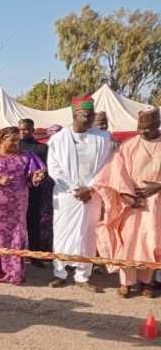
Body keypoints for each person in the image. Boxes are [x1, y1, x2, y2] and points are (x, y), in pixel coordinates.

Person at [47, 95, 113, 291]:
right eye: (87, 113)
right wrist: (75, 189)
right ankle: (60, 272)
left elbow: (107, 166)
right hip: (66, 195)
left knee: (88, 234)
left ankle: (83, 276)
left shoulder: (103, 137)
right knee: (62, 233)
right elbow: (54, 168)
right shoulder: (58, 139)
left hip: (92, 194)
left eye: (92, 113)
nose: (92, 117)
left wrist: (90, 188)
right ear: (75, 114)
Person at [94, 108, 161, 298]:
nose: (142, 131)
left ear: (157, 124)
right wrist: (128, 196)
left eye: (147, 128)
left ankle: (146, 282)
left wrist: (158, 186)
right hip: (131, 202)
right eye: (140, 127)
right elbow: (116, 173)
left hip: (157, 203)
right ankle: (126, 282)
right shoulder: (128, 145)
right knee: (129, 240)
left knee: (152, 241)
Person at [0, 127, 46, 285]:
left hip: (17, 206)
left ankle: (13, 272)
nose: (15, 143)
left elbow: (29, 179)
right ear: (1, 139)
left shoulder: (25, 157)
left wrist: (36, 178)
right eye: (12, 140)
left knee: (14, 235)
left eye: (17, 140)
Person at [18, 118, 54, 266]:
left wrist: (38, 177)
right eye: (20, 129)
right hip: (16, 192)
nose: (22, 132)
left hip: (35, 192)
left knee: (34, 224)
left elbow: (47, 170)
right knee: (16, 225)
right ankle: (16, 255)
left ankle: (35, 256)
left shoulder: (42, 149)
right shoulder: (13, 147)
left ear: (33, 130)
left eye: (26, 129)